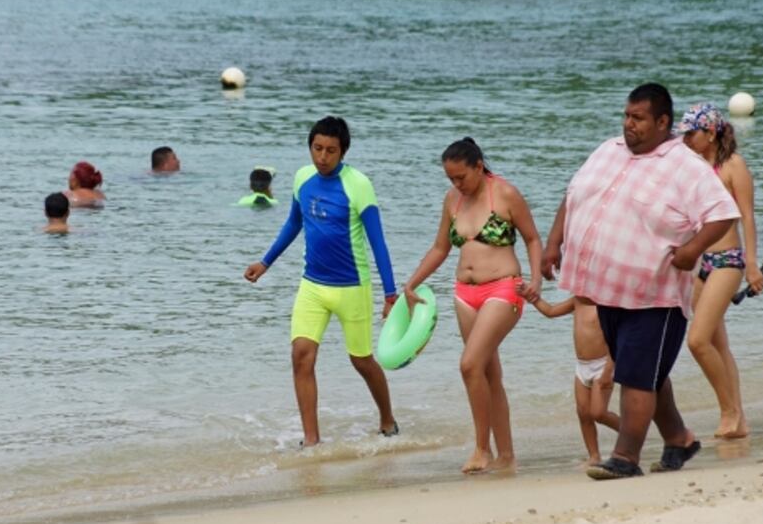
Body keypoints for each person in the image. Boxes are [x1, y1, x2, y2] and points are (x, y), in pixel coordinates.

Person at [541, 83, 740, 480]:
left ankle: (626, 458)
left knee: (635, 374)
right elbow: (573, 193)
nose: (628, 124)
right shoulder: (607, 149)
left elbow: (724, 213)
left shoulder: (686, 166)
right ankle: (680, 437)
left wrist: (691, 251)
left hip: (656, 295)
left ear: (663, 122)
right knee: (646, 370)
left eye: (638, 118)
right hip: (605, 289)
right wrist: (553, 241)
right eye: (626, 116)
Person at [244, 116, 398, 447]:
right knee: (301, 354)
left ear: (343, 151)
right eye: (317, 148)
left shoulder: (358, 184)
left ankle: (387, 418)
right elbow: (293, 224)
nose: (322, 157)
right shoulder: (302, 178)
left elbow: (378, 242)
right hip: (312, 285)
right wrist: (265, 261)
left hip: (352, 287)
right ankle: (311, 440)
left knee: (361, 360)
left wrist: (390, 293)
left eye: (330, 150)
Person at [402, 137, 542, 473]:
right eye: (451, 178)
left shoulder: (505, 194)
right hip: (465, 294)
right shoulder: (452, 200)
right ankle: (505, 455)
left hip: (504, 289)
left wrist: (536, 280)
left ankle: (482, 449)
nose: (456, 184)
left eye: (461, 176)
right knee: (488, 372)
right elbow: (440, 248)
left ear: (479, 166)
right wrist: (411, 282)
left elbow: (533, 238)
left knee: (468, 365)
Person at [677, 102, 763, 439]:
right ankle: (737, 419)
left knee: (698, 341)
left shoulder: (733, 166)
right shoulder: (692, 169)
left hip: (727, 260)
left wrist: (752, 265)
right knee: (718, 343)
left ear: (710, 132)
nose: (685, 139)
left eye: (691, 133)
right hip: (698, 264)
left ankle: (729, 411)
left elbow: (747, 217)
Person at [526, 293, 619, 465]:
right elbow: (551, 311)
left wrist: (609, 368)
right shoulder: (577, 301)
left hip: (603, 364)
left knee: (598, 412)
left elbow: (616, 338)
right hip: (582, 366)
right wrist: (533, 298)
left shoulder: (606, 302)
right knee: (583, 413)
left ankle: (630, 435)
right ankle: (594, 456)